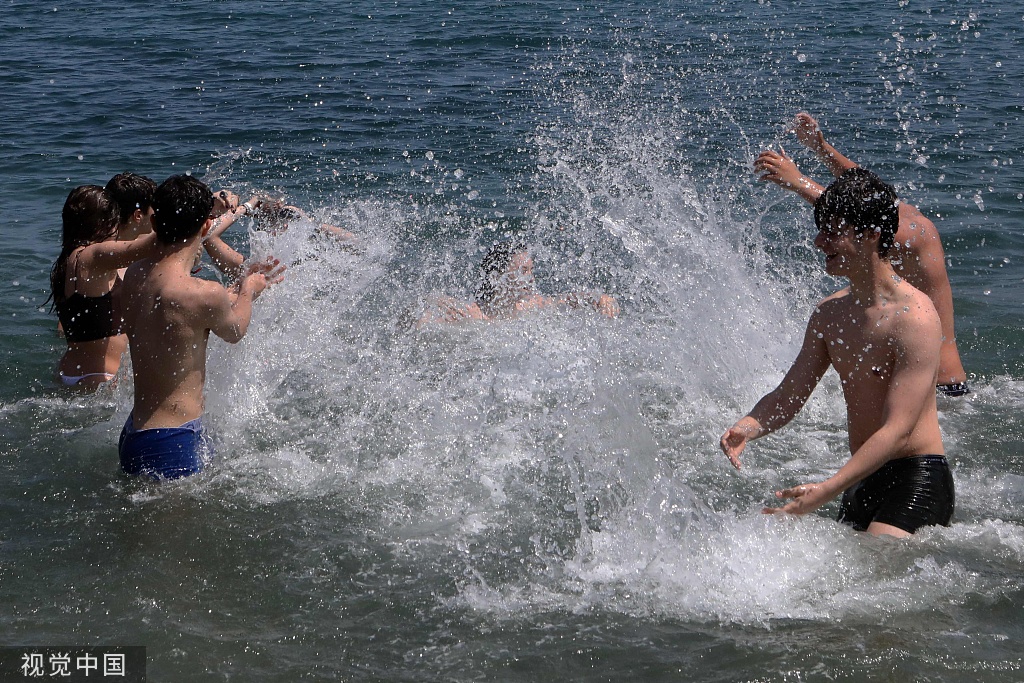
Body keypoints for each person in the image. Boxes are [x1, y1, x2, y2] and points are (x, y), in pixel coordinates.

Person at [720, 168, 954, 538]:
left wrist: (825, 491)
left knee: (876, 570)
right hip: (861, 476)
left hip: (916, 477)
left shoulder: (915, 317)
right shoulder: (830, 314)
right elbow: (790, 393)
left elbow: (897, 430)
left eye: (832, 232)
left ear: (873, 235)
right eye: (820, 230)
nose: (818, 242)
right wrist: (749, 425)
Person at [754, 112, 968, 396]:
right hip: (913, 388)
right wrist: (820, 148)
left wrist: (799, 182)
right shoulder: (893, 212)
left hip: (941, 393)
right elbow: (864, 194)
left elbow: (862, 215)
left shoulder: (917, 233)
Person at [118, 175, 284, 480]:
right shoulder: (203, 293)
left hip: (136, 432)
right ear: (206, 226)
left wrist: (235, 289)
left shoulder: (136, 274)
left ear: (154, 223)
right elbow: (234, 331)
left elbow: (181, 315)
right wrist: (249, 291)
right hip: (172, 442)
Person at [48, 185, 158, 390]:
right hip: (100, 377)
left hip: (70, 371)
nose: (116, 230)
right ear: (101, 224)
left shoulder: (68, 259)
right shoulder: (93, 256)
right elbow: (149, 245)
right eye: (113, 223)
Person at [416, 239, 619, 326]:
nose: (530, 278)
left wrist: (600, 298)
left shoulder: (530, 307)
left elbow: (568, 300)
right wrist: (431, 300)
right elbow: (414, 319)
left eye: (531, 270)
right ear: (496, 277)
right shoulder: (471, 315)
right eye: (522, 271)